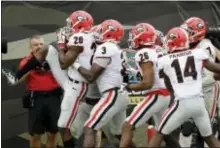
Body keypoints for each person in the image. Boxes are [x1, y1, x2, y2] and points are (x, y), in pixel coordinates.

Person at [148, 27, 220, 148]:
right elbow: (216, 69)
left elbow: (167, 83)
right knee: (210, 138)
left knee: (159, 133)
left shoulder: (164, 60)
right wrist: (217, 76)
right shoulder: (197, 53)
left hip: (181, 103)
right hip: (199, 104)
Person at [119, 23, 180, 148]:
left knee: (127, 126)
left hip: (157, 94)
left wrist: (129, 87)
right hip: (167, 94)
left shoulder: (144, 53)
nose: (132, 38)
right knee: (163, 131)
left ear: (141, 37)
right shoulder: (159, 49)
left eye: (135, 36)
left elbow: (147, 83)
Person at [73, 19, 129, 148]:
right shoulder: (115, 48)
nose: (96, 34)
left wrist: (74, 64)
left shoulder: (106, 47)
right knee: (119, 135)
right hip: (119, 93)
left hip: (112, 94)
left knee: (89, 127)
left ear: (108, 33)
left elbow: (91, 76)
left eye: (100, 31)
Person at [14, 35, 62, 148]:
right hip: (36, 100)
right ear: (30, 48)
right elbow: (17, 80)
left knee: (53, 133)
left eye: (41, 44)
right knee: (36, 135)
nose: (39, 47)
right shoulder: (26, 61)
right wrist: (32, 65)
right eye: (36, 45)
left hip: (53, 99)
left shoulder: (54, 59)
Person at [180, 17, 220, 147]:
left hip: (207, 90)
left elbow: (210, 78)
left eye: (189, 31)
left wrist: (186, 85)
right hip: (191, 90)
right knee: (186, 126)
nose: (186, 34)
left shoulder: (205, 46)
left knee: (209, 127)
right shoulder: (185, 45)